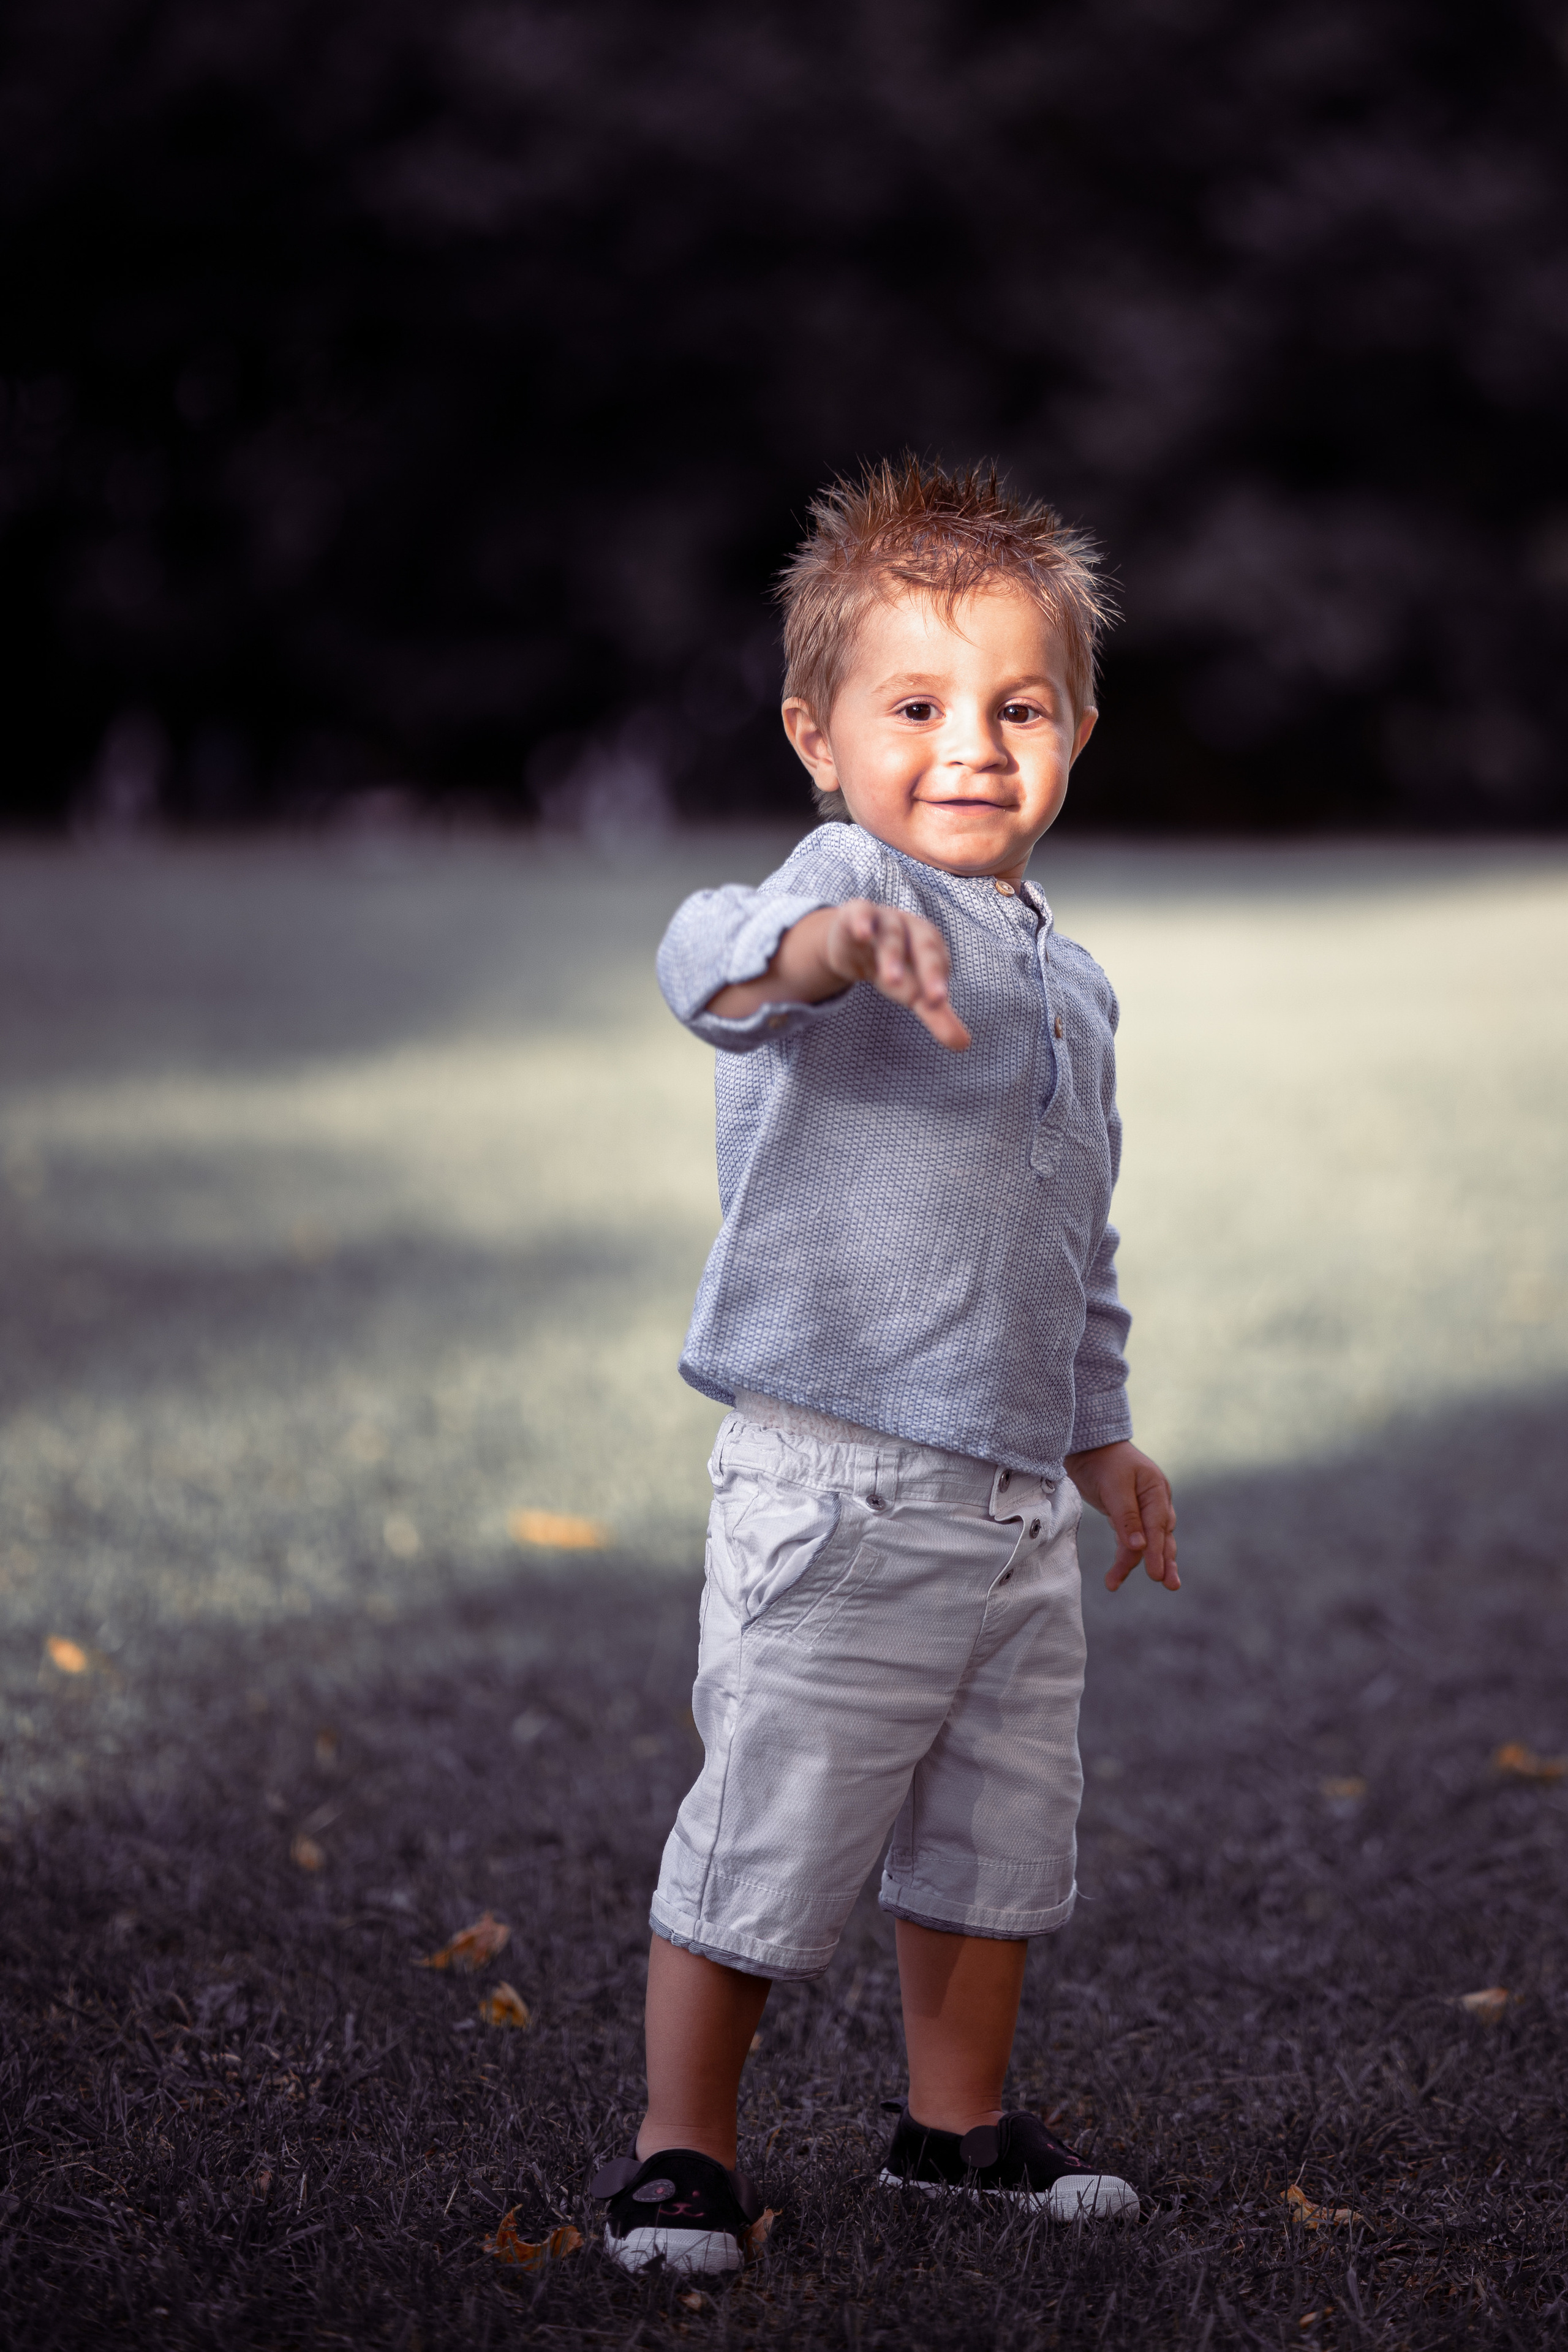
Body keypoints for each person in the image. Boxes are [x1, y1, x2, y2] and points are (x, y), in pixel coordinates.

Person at [588, 458, 1180, 2276]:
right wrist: (820, 948)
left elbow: (1069, 1242)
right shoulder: (836, 886)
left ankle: (956, 2129)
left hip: (1007, 1509)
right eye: (916, 708)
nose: (973, 747)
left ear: (1079, 722)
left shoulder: (1067, 980)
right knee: (775, 1822)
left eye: (1018, 707)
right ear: (818, 737)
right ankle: (679, 2151)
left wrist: (1105, 1441)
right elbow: (706, 963)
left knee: (996, 1844)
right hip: (838, 1486)